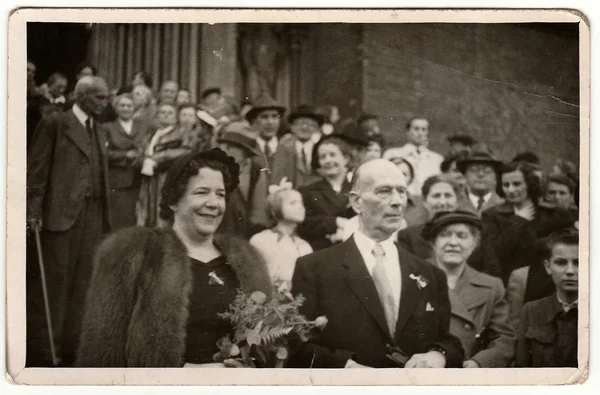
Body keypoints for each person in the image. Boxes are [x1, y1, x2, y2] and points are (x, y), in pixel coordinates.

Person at [76, 149, 272, 367]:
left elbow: (266, 347)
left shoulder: (247, 260)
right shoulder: (134, 252)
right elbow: (101, 352)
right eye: (201, 192)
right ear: (173, 201)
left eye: (220, 194)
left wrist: (246, 367)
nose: (214, 203)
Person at [290, 159, 464, 368]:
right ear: (356, 202)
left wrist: (438, 355)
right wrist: (346, 366)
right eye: (384, 191)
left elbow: (449, 342)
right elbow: (297, 346)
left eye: (401, 192)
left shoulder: (430, 273)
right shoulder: (314, 268)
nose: (397, 201)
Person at [27, 76, 112, 366]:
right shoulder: (56, 123)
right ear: (80, 96)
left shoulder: (99, 130)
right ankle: (45, 351)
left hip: (93, 217)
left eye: (105, 98)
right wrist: (33, 210)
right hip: (61, 216)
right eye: (99, 98)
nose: (104, 103)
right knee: (56, 284)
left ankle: (72, 349)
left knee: (83, 283)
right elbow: (36, 170)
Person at [422, 211, 515, 368]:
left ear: (475, 243)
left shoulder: (491, 286)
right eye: (445, 235)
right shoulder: (412, 278)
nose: (453, 242)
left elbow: (505, 338)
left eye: (461, 235)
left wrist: (478, 362)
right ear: (433, 242)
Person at [481, 161, 575, 285]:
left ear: (529, 184)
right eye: (506, 185)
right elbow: (495, 254)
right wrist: (519, 220)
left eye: (517, 184)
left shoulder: (556, 215)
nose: (511, 190)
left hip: (547, 284)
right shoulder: (492, 215)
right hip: (508, 285)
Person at [397, 175, 502, 278]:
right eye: (436, 196)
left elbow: (491, 271)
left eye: (448, 196)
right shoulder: (408, 236)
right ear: (424, 201)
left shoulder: (476, 232)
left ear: (457, 200)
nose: (443, 202)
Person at [515, 228, 579, 367]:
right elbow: (522, 368)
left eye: (578, 263)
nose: (570, 271)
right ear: (548, 267)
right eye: (561, 263)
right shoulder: (532, 311)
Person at [137, 103, 193, 227]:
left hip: (168, 177)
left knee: (164, 211)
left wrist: (158, 159)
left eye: (170, 112)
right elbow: (140, 153)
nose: (166, 115)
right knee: (147, 211)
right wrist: (144, 160)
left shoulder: (181, 133)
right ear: (158, 116)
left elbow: (186, 151)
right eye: (163, 112)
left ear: (175, 116)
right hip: (149, 180)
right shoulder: (152, 135)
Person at [250, 178, 313, 287]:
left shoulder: (305, 246)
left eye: (301, 203)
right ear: (274, 210)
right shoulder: (261, 241)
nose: (300, 207)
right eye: (292, 203)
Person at [297, 136, 354, 251]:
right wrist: (335, 222)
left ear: (346, 159)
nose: (328, 161)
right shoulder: (308, 191)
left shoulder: (357, 189)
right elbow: (302, 223)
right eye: (322, 157)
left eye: (333, 155)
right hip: (321, 250)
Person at [105, 93, 152, 230]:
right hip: (119, 180)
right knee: (121, 219)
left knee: (142, 218)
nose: (126, 108)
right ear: (116, 108)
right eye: (122, 105)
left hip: (143, 178)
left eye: (129, 106)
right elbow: (104, 154)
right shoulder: (108, 128)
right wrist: (125, 155)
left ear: (134, 108)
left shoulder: (144, 126)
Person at [216, 124, 269, 238]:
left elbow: (259, 213)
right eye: (222, 145)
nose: (223, 150)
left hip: (242, 234)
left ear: (245, 152)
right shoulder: (212, 167)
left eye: (229, 147)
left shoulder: (256, 172)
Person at [271, 104, 324, 189]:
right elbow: (277, 178)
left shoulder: (320, 149)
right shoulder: (283, 148)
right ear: (292, 127)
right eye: (300, 123)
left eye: (310, 124)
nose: (304, 127)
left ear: (316, 128)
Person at [394, 116, 444, 197]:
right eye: (416, 129)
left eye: (424, 129)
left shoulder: (437, 159)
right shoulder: (394, 154)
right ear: (407, 131)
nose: (420, 133)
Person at [456, 147, 505, 216]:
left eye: (487, 171)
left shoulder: (504, 207)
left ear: (496, 177)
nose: (480, 174)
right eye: (474, 170)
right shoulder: (455, 207)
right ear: (465, 175)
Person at [246, 94, 286, 172]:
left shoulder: (288, 150)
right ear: (254, 121)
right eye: (264, 117)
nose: (270, 122)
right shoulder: (247, 150)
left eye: (274, 116)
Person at [27, 72, 68, 144]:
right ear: (50, 85)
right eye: (59, 87)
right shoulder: (38, 101)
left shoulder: (67, 104)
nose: (62, 90)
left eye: (64, 87)